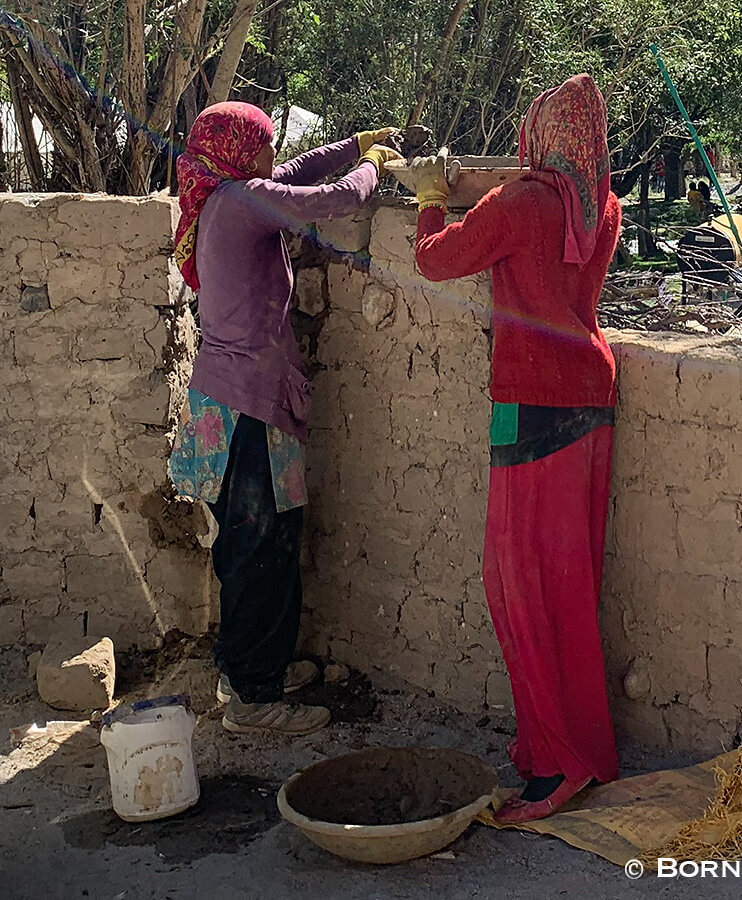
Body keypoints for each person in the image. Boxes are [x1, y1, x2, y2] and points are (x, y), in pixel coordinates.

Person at [407, 74, 622, 823]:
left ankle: (557, 766)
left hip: (525, 405)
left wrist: (431, 194)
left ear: (535, 135)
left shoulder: (522, 203)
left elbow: (435, 258)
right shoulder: (603, 207)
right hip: (591, 397)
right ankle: (565, 751)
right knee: (571, 584)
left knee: (516, 585)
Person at [168, 102, 401, 736]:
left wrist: (355, 140)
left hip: (225, 399)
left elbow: (293, 174)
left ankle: (253, 666)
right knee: (260, 549)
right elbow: (325, 200)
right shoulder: (243, 202)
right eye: (264, 146)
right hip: (250, 407)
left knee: (251, 544)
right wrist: (372, 169)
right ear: (242, 153)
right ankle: (252, 696)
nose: (272, 156)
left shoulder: (223, 196)